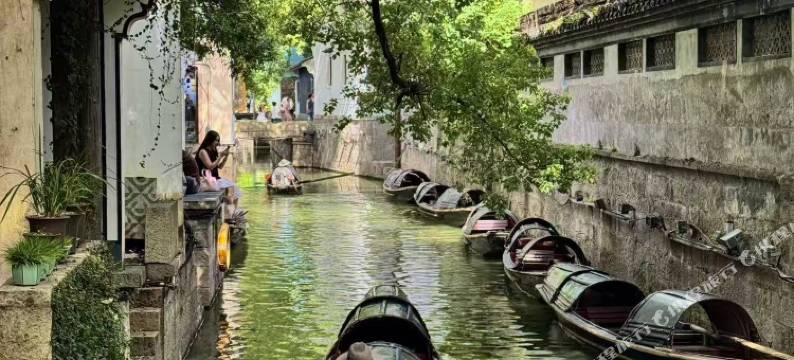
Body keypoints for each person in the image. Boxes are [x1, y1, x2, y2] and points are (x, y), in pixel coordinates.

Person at [196, 130, 241, 202]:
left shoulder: (213, 151)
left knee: (235, 191)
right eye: (216, 141)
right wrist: (220, 156)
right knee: (231, 192)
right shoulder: (203, 151)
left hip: (215, 179)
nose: (218, 143)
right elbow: (210, 166)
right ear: (210, 140)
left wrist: (226, 156)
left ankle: (231, 206)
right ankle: (228, 205)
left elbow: (220, 166)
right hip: (206, 180)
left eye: (218, 141)